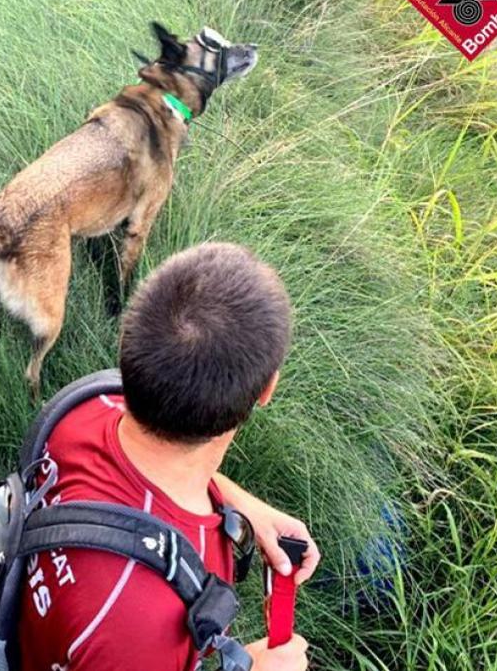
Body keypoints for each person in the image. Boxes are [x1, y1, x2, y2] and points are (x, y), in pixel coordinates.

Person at [18, 242, 320, 671]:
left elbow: (150, 467)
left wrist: (245, 506)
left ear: (127, 345)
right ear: (267, 389)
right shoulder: (139, 627)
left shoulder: (84, 408)